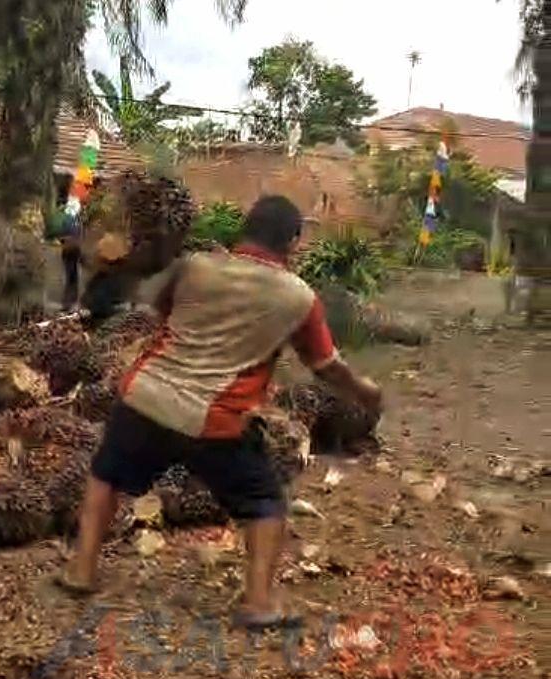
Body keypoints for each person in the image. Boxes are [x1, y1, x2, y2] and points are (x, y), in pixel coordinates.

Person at [60, 195, 382, 628]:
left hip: (144, 396)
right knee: (266, 501)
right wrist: (365, 389)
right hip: (214, 417)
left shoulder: (195, 266)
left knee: (105, 475)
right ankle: (259, 603)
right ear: (293, 241)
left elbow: (163, 314)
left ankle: (81, 571)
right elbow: (325, 367)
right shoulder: (298, 297)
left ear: (243, 229)